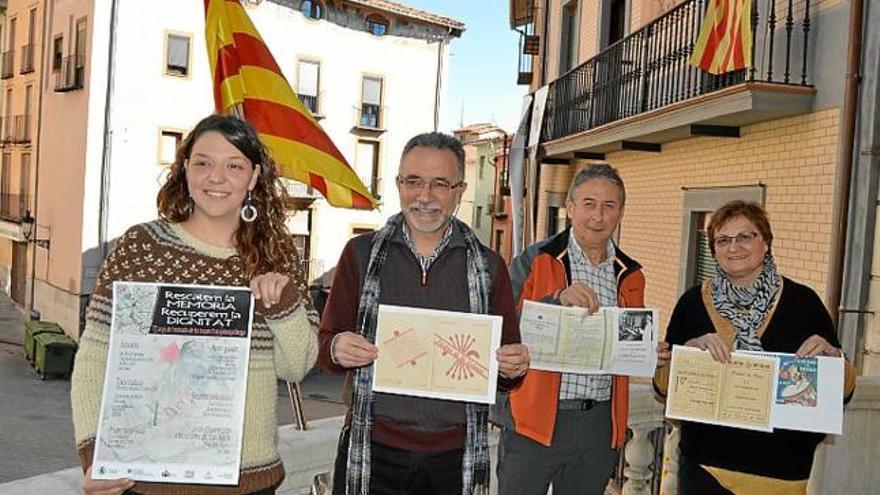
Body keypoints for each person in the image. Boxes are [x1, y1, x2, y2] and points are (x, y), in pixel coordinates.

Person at [70, 114, 319, 495]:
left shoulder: (277, 257)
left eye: (233, 166)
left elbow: (296, 367)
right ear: (185, 170)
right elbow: (94, 359)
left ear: (253, 178)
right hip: (146, 478)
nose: (216, 177)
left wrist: (280, 303)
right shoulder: (142, 247)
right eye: (203, 162)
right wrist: (93, 454)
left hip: (248, 481)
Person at [318, 132, 529, 495]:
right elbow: (326, 346)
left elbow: (505, 365)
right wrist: (338, 347)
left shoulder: (489, 267)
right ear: (399, 184)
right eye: (413, 182)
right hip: (372, 452)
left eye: (440, 184)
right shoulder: (360, 254)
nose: (425, 196)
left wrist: (513, 368)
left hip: (455, 460)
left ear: (460, 191)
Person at [653, 200, 857, 495]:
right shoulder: (692, 303)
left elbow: (845, 391)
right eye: (722, 240)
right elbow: (663, 388)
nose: (733, 247)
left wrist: (833, 358)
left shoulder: (804, 303)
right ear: (713, 249)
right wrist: (687, 353)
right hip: (705, 468)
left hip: (782, 472)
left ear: (766, 243)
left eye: (745, 236)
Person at [496, 163, 669, 495]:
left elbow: (624, 344)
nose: (598, 216)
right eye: (589, 204)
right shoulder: (536, 260)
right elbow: (502, 328)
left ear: (621, 211)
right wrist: (554, 300)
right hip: (534, 421)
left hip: (599, 424)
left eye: (609, 206)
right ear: (570, 207)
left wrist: (648, 350)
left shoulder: (632, 275)